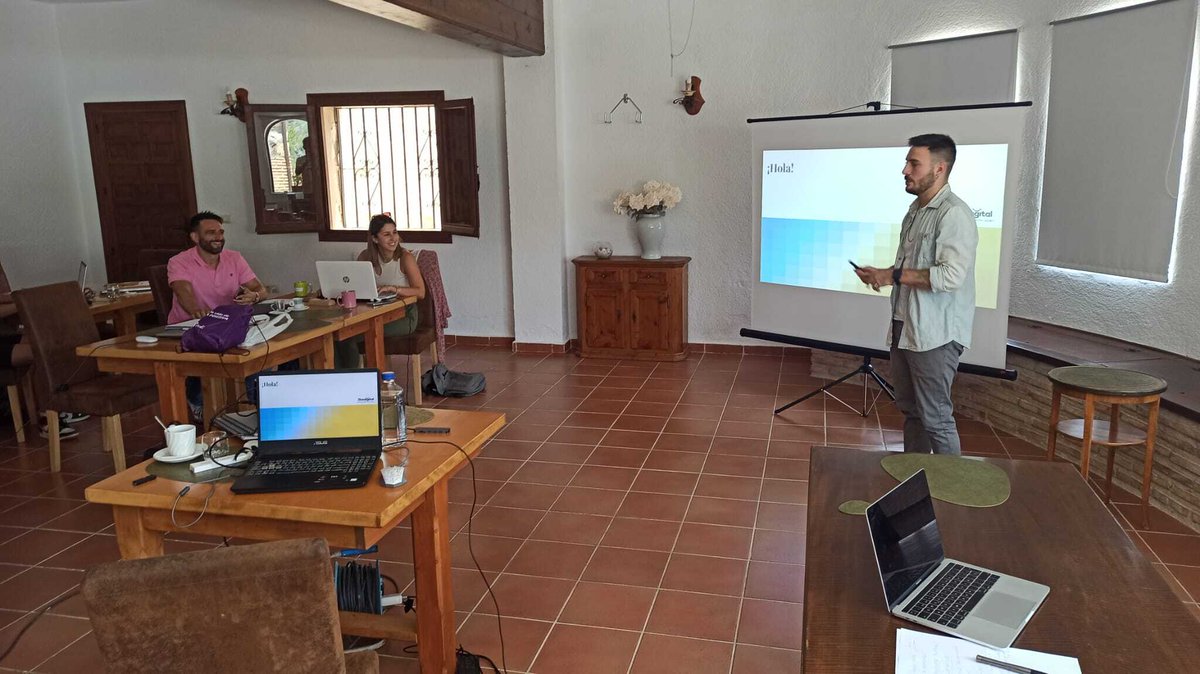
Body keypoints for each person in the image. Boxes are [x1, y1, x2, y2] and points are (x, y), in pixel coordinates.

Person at [854, 134, 978, 456]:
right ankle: (916, 483)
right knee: (912, 412)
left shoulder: (954, 214)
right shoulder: (915, 210)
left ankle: (952, 494)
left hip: (934, 335)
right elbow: (912, 270)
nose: (905, 170)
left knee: (936, 418)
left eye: (913, 163)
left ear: (939, 169)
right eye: (907, 162)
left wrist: (891, 274)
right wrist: (883, 274)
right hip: (904, 327)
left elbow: (950, 275)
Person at [167, 211, 267, 422]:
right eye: (211, 233)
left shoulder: (234, 258)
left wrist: (254, 295)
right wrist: (197, 311)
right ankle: (198, 402)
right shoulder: (179, 262)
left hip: (227, 326)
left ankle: (257, 407)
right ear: (195, 237)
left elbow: (260, 288)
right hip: (192, 327)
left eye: (220, 232)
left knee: (258, 348)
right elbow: (182, 291)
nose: (218, 237)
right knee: (201, 351)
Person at [333, 214, 426, 369]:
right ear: (375, 239)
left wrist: (394, 289)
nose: (393, 238)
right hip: (374, 313)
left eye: (395, 232)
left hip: (403, 315)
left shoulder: (405, 257)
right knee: (337, 336)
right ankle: (341, 379)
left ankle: (356, 381)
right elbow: (355, 286)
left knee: (347, 336)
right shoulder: (365, 256)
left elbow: (420, 292)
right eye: (386, 234)